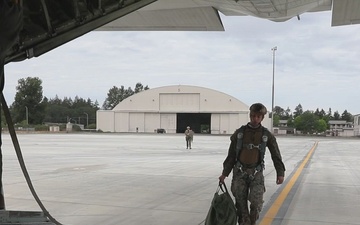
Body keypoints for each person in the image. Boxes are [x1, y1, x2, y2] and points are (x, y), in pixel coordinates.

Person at [218, 103, 285, 225]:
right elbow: (231, 155)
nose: (255, 119)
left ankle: (251, 222)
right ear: (250, 116)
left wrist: (280, 173)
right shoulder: (240, 134)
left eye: (258, 117)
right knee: (241, 204)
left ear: (262, 118)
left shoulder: (266, 135)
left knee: (256, 202)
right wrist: (224, 174)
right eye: (253, 116)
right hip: (239, 173)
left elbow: (276, 154)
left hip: (256, 173)